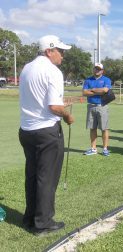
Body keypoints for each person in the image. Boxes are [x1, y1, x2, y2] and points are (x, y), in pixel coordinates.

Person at [19, 35, 74, 235]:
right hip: (46, 131)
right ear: (49, 51)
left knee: (33, 176)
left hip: (26, 130)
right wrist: (67, 115)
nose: (63, 55)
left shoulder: (26, 68)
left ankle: (30, 218)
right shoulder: (53, 71)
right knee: (47, 178)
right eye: (61, 51)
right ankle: (43, 223)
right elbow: (54, 107)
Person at [82, 63, 112, 156]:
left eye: (99, 69)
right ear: (93, 69)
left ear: (102, 71)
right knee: (92, 128)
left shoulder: (106, 79)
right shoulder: (88, 80)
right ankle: (93, 148)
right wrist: (98, 91)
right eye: (96, 68)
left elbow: (105, 90)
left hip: (102, 106)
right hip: (91, 106)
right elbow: (84, 92)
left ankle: (105, 149)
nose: (97, 70)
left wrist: (92, 90)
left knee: (104, 128)